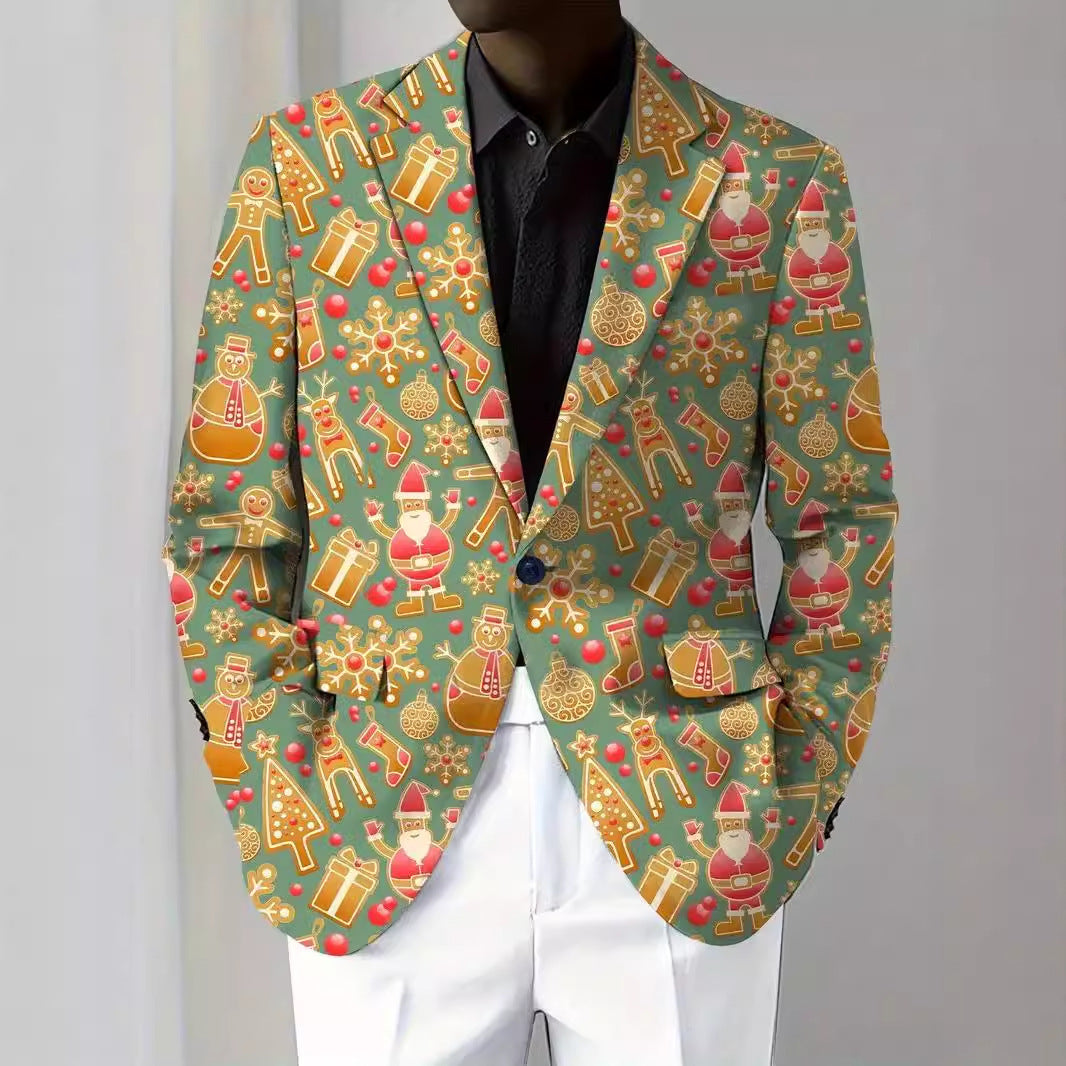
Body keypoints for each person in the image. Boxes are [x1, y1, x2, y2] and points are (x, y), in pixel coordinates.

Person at [161, 0, 899, 1062]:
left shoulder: (773, 181)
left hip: (685, 803)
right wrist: (278, 782)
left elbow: (844, 518)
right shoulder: (309, 167)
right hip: (376, 807)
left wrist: (795, 783)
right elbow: (224, 525)